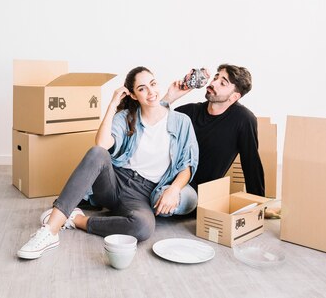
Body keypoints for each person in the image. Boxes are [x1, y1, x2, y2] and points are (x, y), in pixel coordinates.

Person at [17, 66, 199, 260]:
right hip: (113, 183)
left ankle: (75, 219)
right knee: (97, 153)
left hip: (143, 195)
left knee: (143, 227)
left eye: (153, 84)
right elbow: (102, 144)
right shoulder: (126, 117)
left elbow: (186, 165)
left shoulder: (181, 122)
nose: (150, 91)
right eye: (142, 88)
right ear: (134, 95)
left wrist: (173, 189)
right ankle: (49, 231)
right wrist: (112, 105)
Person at [163, 63, 265, 197]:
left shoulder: (243, 119)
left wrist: (259, 205)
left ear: (234, 97)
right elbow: (149, 125)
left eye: (223, 83)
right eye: (216, 78)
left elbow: (251, 163)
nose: (214, 83)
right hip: (164, 178)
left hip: (194, 191)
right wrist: (170, 97)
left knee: (161, 198)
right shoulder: (189, 112)